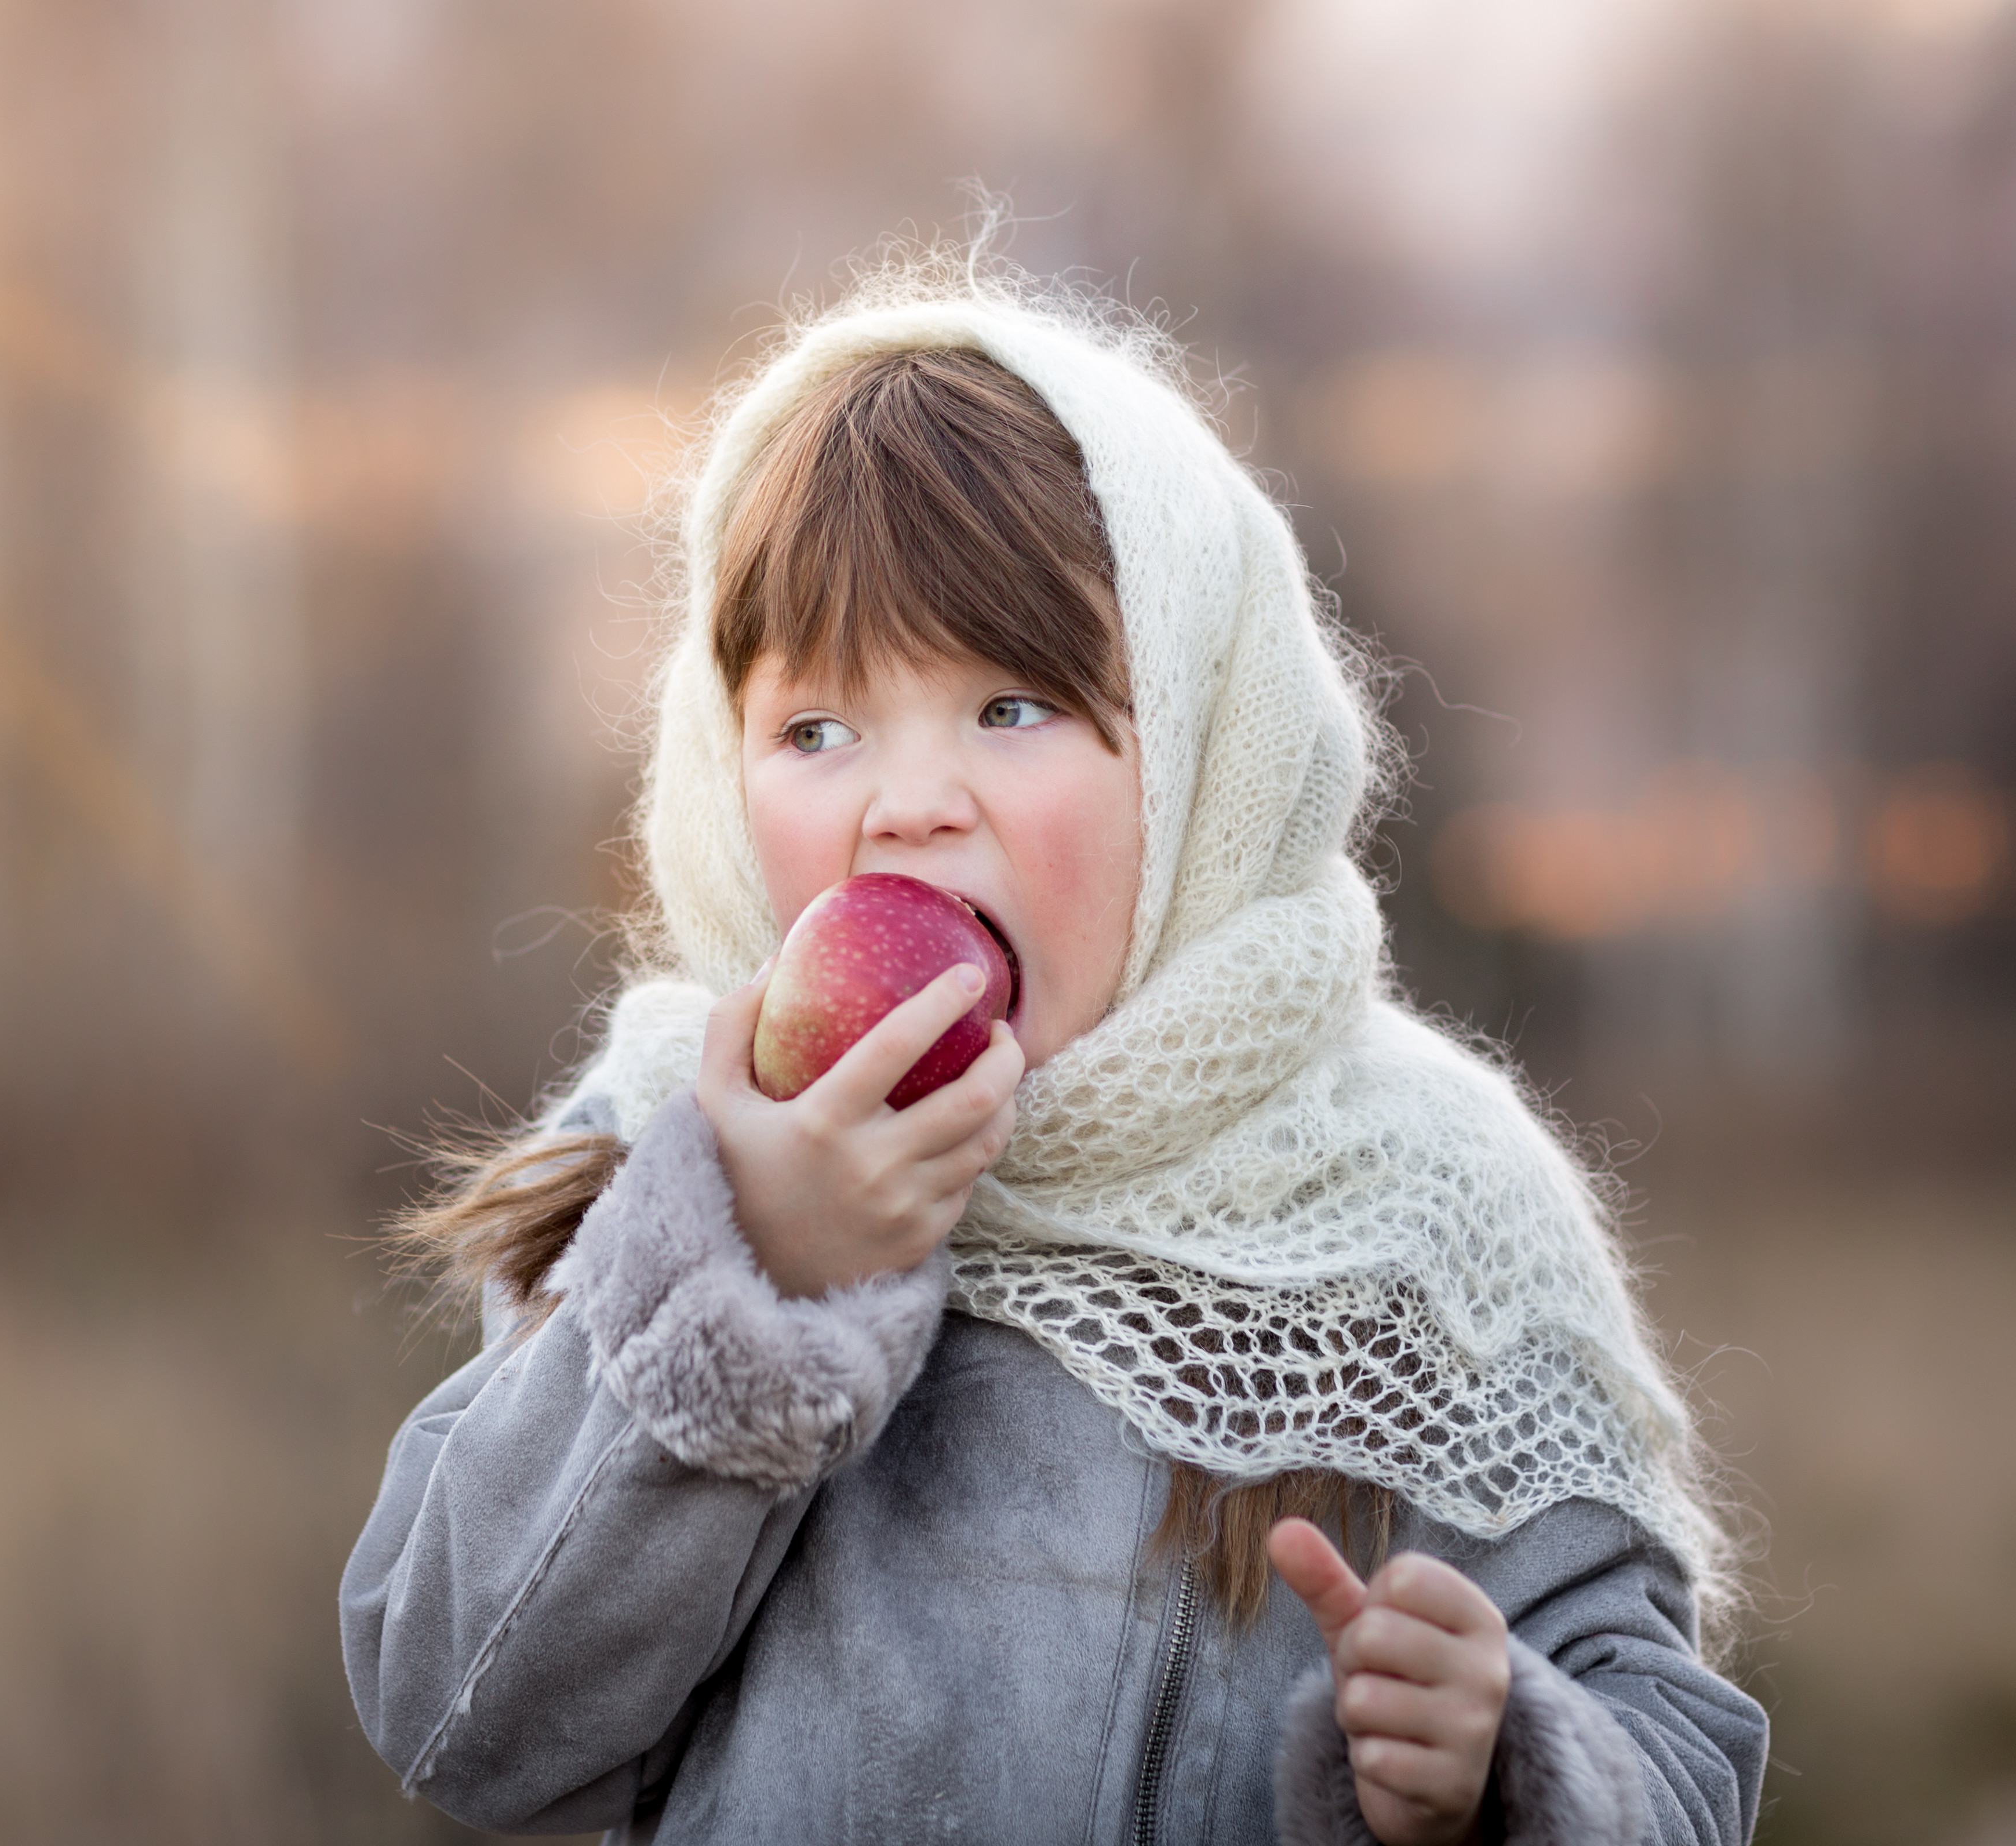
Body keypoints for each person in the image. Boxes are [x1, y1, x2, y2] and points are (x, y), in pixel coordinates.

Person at [340, 263, 1768, 1845]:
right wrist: (758, 1278)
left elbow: (1674, 1754)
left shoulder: (1419, 1197)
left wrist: (1509, 1756)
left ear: (1201, 765)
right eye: (818, 730)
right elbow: (456, 1715)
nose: (908, 802)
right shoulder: (673, 1158)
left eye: (1011, 705)